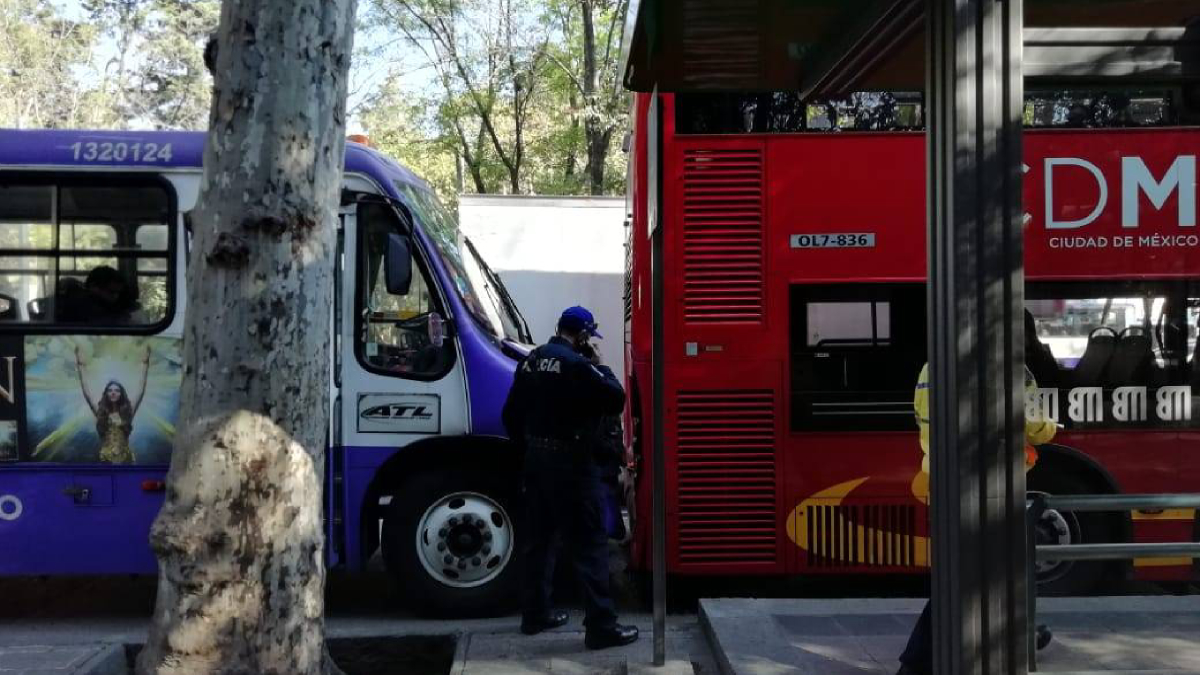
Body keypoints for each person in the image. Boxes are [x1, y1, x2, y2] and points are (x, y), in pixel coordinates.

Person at [898, 361, 1056, 675]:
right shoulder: (1014, 368)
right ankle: (915, 661)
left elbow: (920, 415)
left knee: (974, 571)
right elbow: (1039, 429)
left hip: (944, 481)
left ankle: (1020, 634)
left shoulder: (931, 367)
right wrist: (1049, 427)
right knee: (979, 574)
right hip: (993, 486)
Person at [502, 306, 639, 650]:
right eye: (588, 338)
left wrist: (531, 449)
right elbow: (615, 397)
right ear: (581, 336)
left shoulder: (531, 361)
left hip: (536, 462)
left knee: (539, 543)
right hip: (573, 466)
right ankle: (601, 627)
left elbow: (510, 416)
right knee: (590, 545)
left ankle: (535, 615)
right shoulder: (578, 365)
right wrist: (600, 364)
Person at [75, 344, 151, 464]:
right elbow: (87, 394)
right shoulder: (100, 411)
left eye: (116, 390)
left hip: (126, 461)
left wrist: (145, 363)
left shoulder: (128, 412)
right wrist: (80, 365)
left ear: (121, 393)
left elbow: (140, 391)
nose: (113, 393)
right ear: (106, 394)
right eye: (110, 391)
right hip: (105, 461)